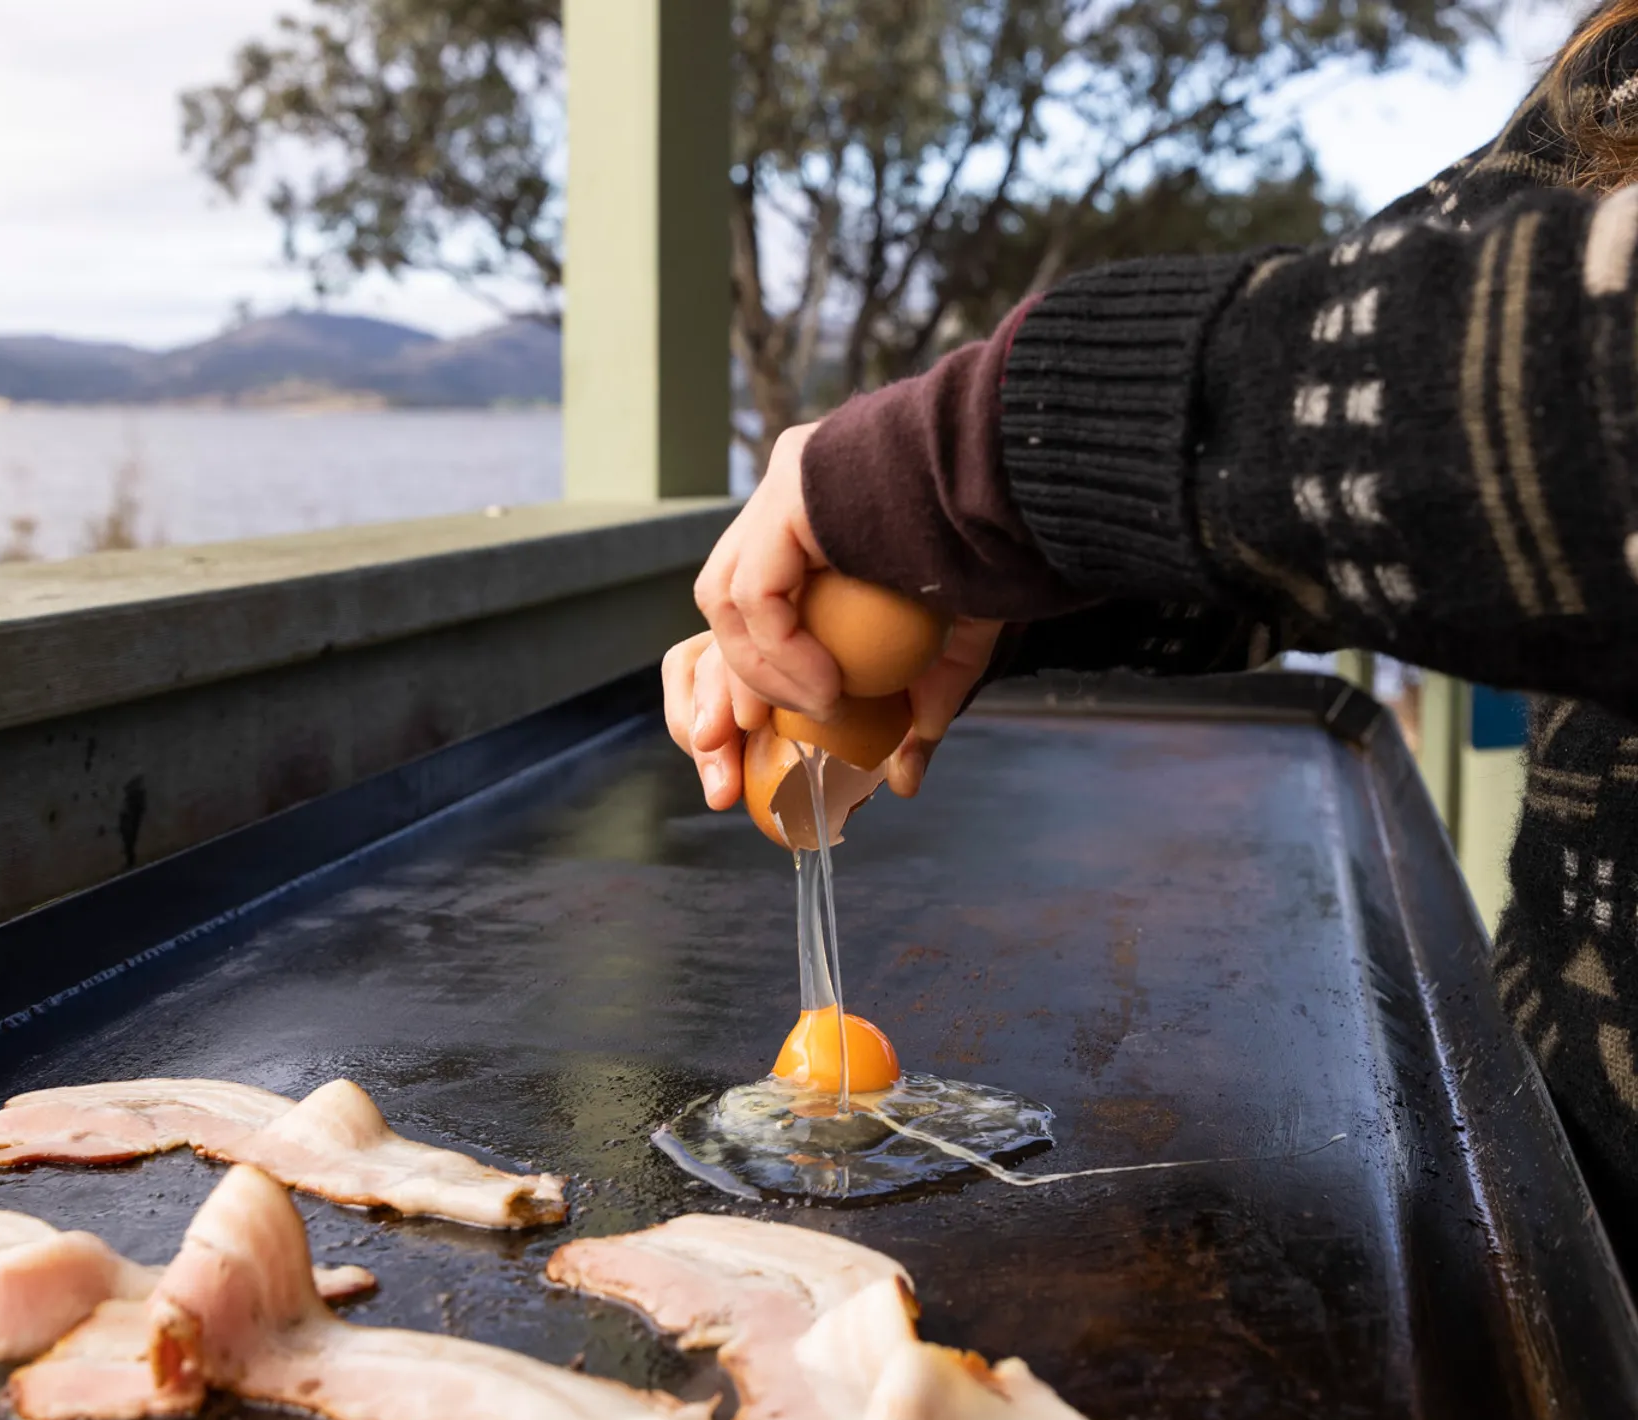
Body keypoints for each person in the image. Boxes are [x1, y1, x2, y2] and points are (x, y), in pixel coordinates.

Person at [666, 6, 1638, 1245]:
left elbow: (1571, 386)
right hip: (1571, 1193)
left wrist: (1000, 459)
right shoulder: (1616, 71)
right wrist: (1005, 590)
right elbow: (1376, 444)